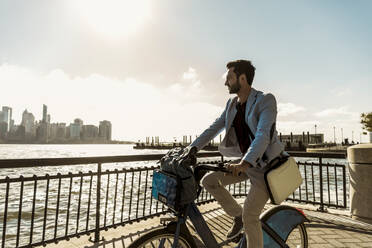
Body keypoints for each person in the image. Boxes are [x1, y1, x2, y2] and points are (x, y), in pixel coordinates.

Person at [189, 59, 284, 247]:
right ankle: (237, 216)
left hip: (266, 168)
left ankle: (245, 219)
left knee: (251, 216)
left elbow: (263, 135)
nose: (225, 82)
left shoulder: (265, 100)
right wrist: (191, 149)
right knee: (208, 180)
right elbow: (213, 128)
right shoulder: (232, 104)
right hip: (246, 164)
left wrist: (245, 163)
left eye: (229, 78)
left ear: (242, 78)